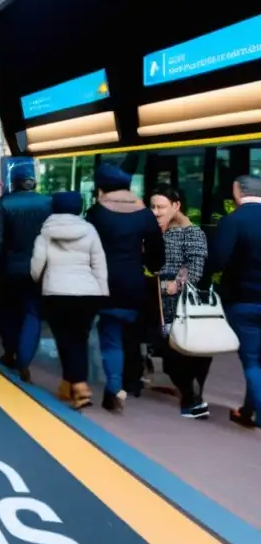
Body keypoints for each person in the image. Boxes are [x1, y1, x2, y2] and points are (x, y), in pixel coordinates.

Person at [86, 163, 165, 412]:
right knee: (131, 335)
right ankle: (133, 382)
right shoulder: (144, 215)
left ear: (101, 187)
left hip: (103, 282)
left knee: (110, 337)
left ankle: (114, 387)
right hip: (134, 283)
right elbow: (156, 255)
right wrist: (149, 265)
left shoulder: (96, 213)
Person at [31, 192, 109, 409]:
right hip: (87, 293)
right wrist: (102, 291)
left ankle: (80, 386)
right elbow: (99, 263)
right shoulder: (90, 230)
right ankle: (69, 384)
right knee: (78, 339)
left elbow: (37, 263)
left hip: (56, 291)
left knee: (64, 339)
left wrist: (39, 279)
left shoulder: (46, 231)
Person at [149, 185, 212, 419]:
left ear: (176, 206)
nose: (155, 211)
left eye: (161, 207)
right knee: (171, 352)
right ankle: (191, 395)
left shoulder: (191, 232)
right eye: (153, 206)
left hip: (181, 302)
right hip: (158, 301)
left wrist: (176, 284)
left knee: (184, 352)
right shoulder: (154, 231)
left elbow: (195, 267)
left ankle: (192, 396)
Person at [0, 163, 52, 380]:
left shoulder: (3, 204)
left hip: (9, 268)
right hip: (39, 268)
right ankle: (25, 360)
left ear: (13, 180)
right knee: (32, 312)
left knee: (8, 312)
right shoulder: (47, 203)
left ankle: (10, 352)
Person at [209, 175, 261, 430]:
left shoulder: (234, 221)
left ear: (238, 193)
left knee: (251, 360)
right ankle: (248, 411)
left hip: (243, 300)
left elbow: (218, 259)